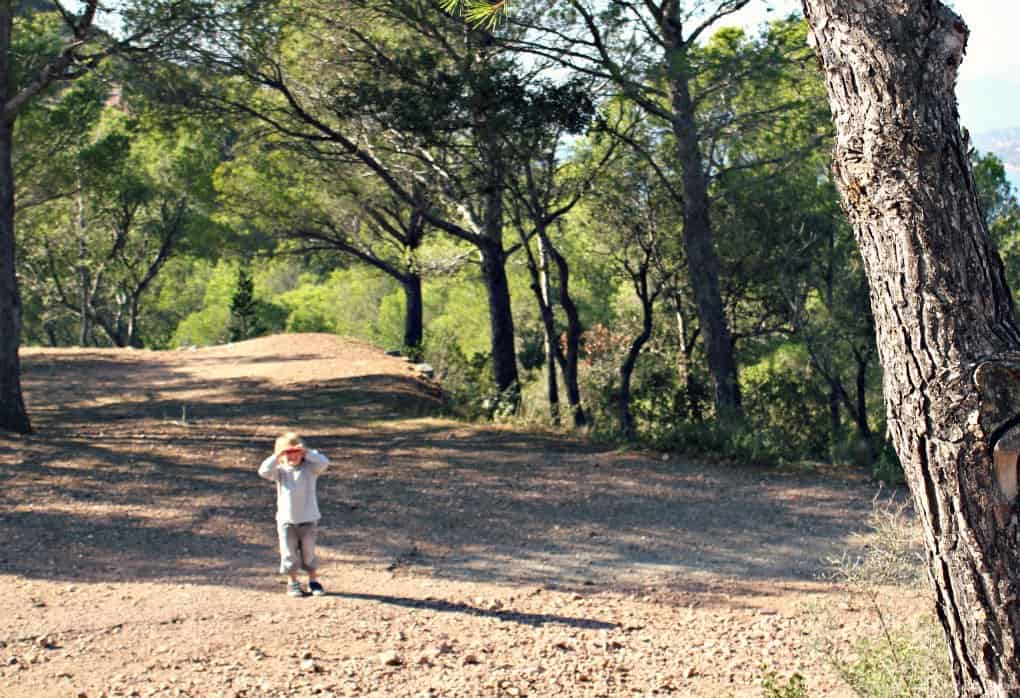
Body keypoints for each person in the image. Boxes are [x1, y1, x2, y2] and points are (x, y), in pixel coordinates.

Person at [258, 431, 329, 597]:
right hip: (286, 521)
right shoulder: (280, 471)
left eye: (295, 452)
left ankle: (313, 581)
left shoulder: (310, 469)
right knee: (288, 553)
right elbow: (263, 471)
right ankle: (293, 582)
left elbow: (324, 462)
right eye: (287, 453)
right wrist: (277, 456)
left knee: (309, 553)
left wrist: (307, 452)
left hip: (308, 519)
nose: (292, 456)